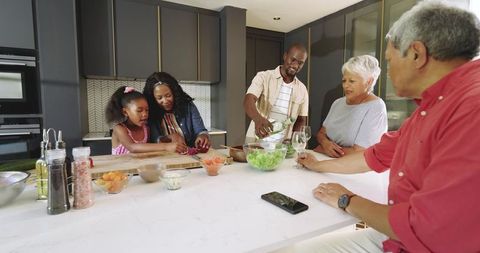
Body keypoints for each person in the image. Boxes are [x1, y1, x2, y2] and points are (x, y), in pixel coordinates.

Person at [294, 1, 480, 252]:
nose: (388, 73)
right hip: (397, 238)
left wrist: (346, 199)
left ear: (416, 54)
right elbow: (375, 155)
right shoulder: (430, 107)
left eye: (390, 61)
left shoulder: (471, 108)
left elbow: (426, 228)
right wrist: (318, 165)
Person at [313, 55, 387, 158]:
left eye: (351, 81)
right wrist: (325, 144)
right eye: (344, 80)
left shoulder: (376, 107)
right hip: (327, 162)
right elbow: (321, 133)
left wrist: (323, 150)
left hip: (353, 171)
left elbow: (361, 153)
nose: (345, 85)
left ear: (368, 82)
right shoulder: (337, 103)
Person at [244, 43, 309, 143]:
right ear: (285, 56)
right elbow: (248, 100)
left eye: (300, 63)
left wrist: (293, 141)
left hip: (282, 147)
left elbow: (301, 119)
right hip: (256, 143)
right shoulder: (263, 77)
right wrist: (258, 119)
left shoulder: (302, 89)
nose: (296, 65)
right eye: (293, 60)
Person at [106, 86, 187, 155]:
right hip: (120, 171)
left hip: (138, 171)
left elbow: (151, 145)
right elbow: (132, 147)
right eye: (139, 110)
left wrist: (171, 137)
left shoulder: (146, 128)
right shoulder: (119, 128)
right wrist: (166, 146)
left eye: (147, 110)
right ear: (125, 112)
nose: (145, 114)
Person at [143, 72, 210, 149]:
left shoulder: (188, 106)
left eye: (168, 95)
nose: (165, 101)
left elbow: (200, 130)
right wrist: (169, 138)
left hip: (189, 153)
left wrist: (203, 136)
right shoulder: (150, 112)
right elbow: (155, 139)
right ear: (153, 99)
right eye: (159, 98)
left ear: (174, 93)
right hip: (164, 156)